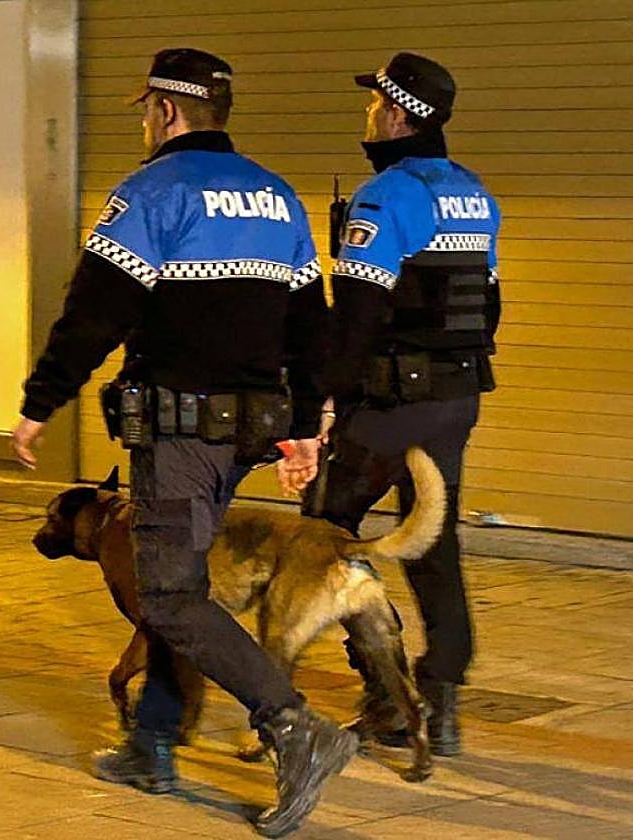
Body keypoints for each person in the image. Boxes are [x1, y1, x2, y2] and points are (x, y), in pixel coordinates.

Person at [11, 48, 356, 838]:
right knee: (183, 587)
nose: (143, 121)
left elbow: (93, 312)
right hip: (246, 434)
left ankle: (295, 726)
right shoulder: (277, 198)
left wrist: (40, 403)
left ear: (165, 110)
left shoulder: (150, 193)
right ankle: (153, 743)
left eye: (145, 108)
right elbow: (312, 326)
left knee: (168, 597)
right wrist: (306, 426)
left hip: (179, 433)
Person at [301, 52, 502, 757]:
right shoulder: (475, 194)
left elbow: (357, 316)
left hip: (391, 403)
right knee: (432, 539)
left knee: (326, 537)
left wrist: (322, 402)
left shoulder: (384, 196)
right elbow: (489, 305)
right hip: (457, 397)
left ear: (396, 114)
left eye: (374, 104)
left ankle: (388, 695)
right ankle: (440, 700)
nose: (368, 115)